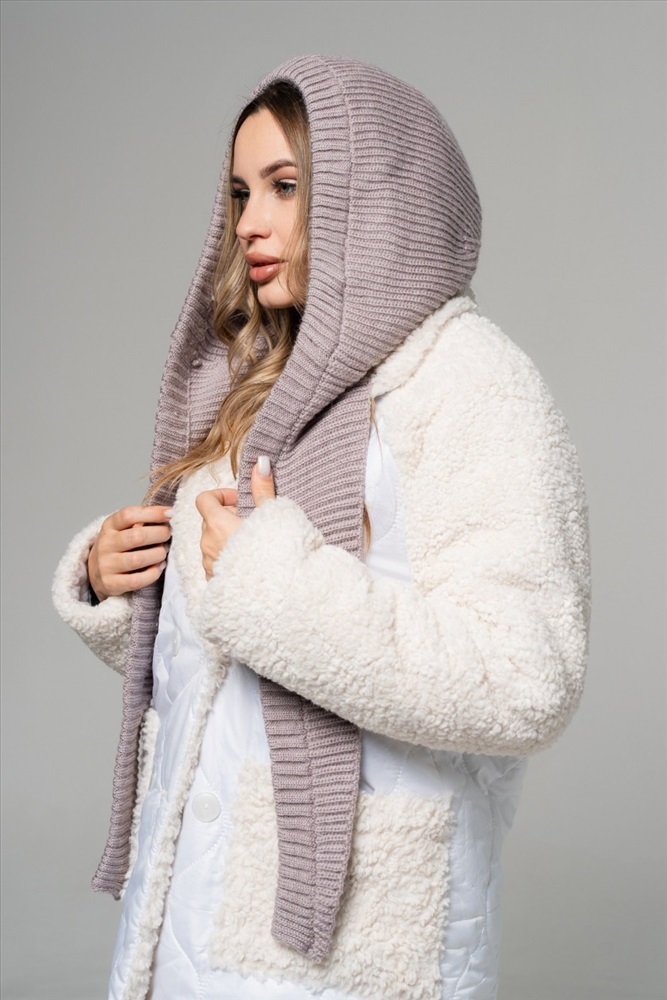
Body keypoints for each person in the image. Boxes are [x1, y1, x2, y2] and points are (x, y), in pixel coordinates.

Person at [52, 54, 592, 1000]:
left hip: (345, 942)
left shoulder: (466, 380)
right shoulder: (262, 378)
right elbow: (229, 656)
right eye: (239, 192)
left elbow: (523, 680)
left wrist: (268, 578)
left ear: (373, 198)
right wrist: (121, 581)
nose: (246, 223)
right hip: (189, 906)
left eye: (284, 186)